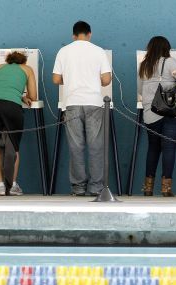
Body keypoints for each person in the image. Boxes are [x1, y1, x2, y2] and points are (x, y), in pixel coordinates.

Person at [52, 21, 112, 196]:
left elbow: (56, 79)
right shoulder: (99, 51)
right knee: (96, 146)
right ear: (90, 34)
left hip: (72, 103)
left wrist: (70, 80)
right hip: (93, 102)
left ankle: (78, 188)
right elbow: (107, 79)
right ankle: (96, 188)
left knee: (76, 146)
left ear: (73, 35)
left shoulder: (64, 51)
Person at [138, 36, 176, 197]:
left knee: (153, 148)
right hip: (171, 113)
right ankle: (166, 188)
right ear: (166, 49)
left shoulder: (144, 65)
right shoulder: (170, 62)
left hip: (151, 113)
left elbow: (140, 89)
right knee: (169, 148)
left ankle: (148, 188)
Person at [0, 51, 37, 196]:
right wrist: (24, 97)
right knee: (13, 146)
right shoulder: (27, 69)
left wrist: (20, 95)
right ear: (23, 62)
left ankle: (0, 186)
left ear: (8, 60)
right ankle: (12, 186)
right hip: (11, 106)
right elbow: (34, 96)